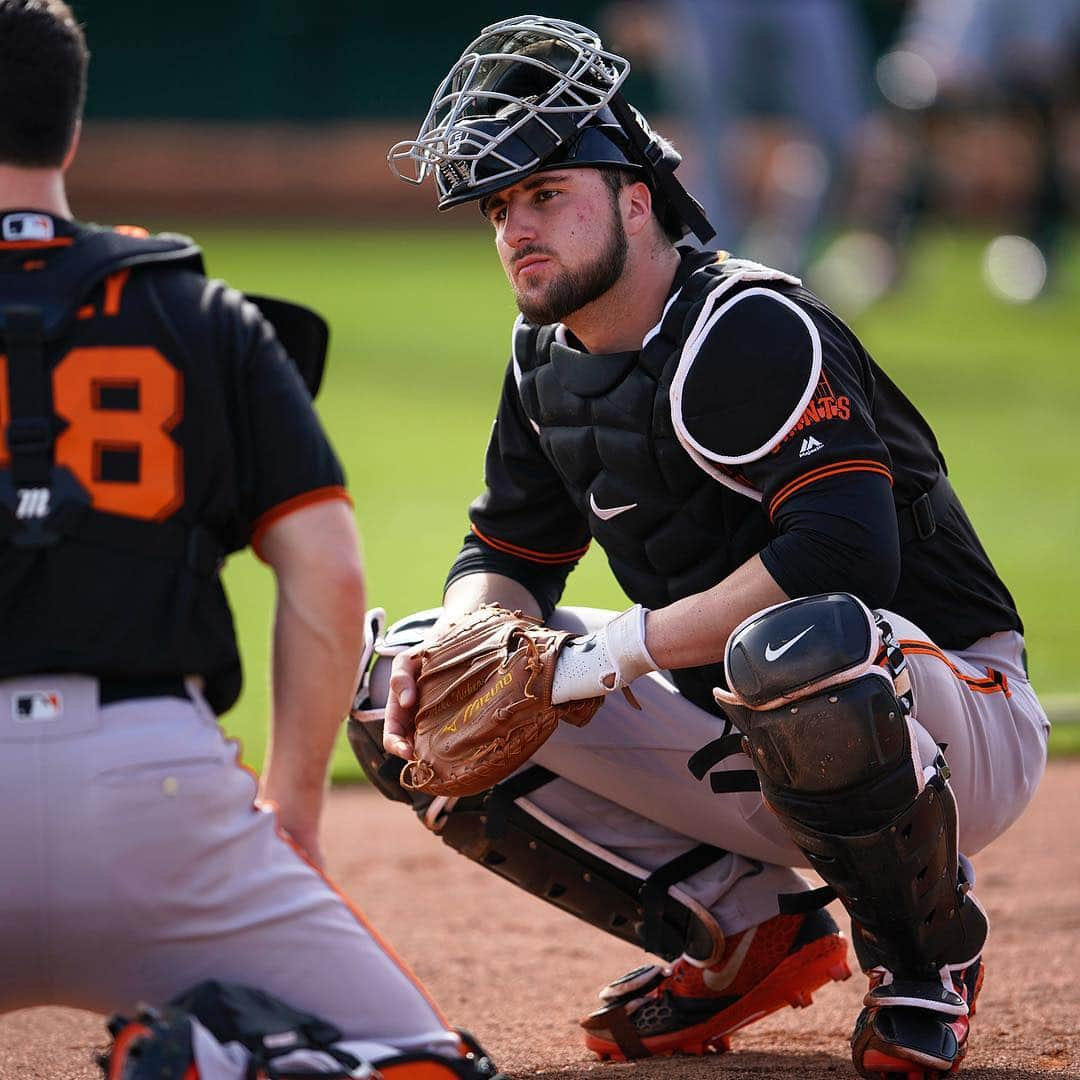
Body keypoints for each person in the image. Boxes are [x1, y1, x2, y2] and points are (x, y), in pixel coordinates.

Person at [356, 15, 1049, 1080]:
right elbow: (508, 548)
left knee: (795, 646)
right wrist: (467, 639)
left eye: (547, 195)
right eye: (501, 208)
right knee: (406, 686)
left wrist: (607, 653)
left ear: (635, 197)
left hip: (953, 717)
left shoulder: (750, 325)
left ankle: (924, 960)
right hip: (747, 722)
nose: (517, 229)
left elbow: (842, 556)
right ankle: (742, 930)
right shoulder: (547, 355)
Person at [0, 3, 504, 1078]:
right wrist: (295, 811)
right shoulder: (201, 313)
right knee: (419, 1060)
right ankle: (223, 1066)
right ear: (71, 133)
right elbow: (327, 569)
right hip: (154, 802)